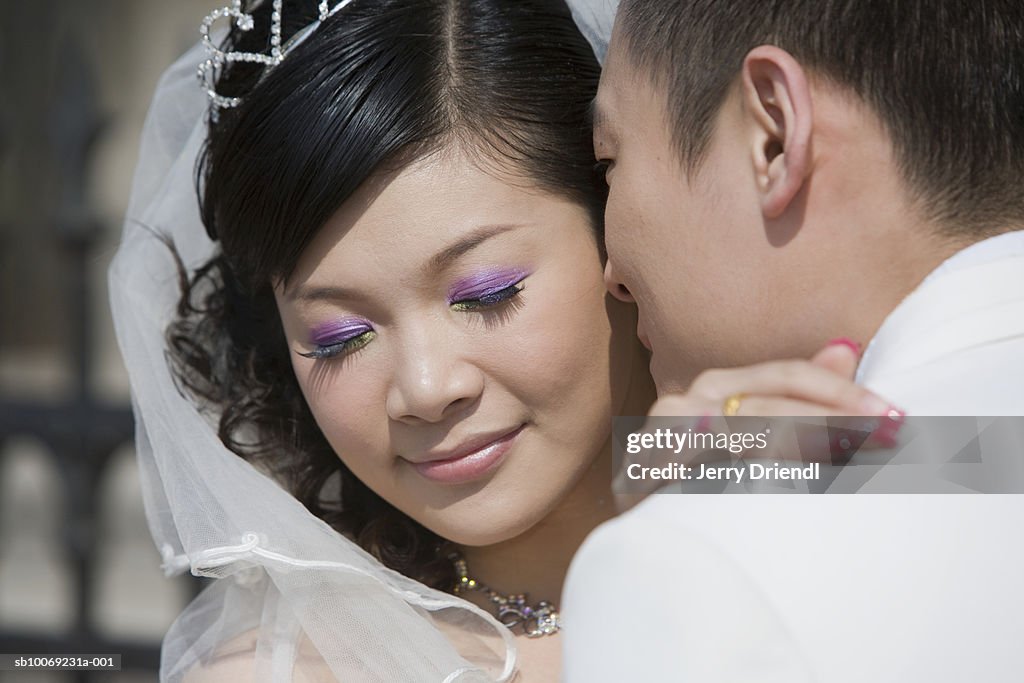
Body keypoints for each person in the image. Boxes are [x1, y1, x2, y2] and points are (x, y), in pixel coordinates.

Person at [110, 1, 891, 680]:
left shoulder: (827, 455)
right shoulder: (279, 672)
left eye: (486, 294)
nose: (424, 385)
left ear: (615, 233)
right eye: (339, 336)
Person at [564, 1, 1024, 681]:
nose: (612, 275)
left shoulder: (703, 562)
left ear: (773, 135)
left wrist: (687, 532)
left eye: (609, 163)